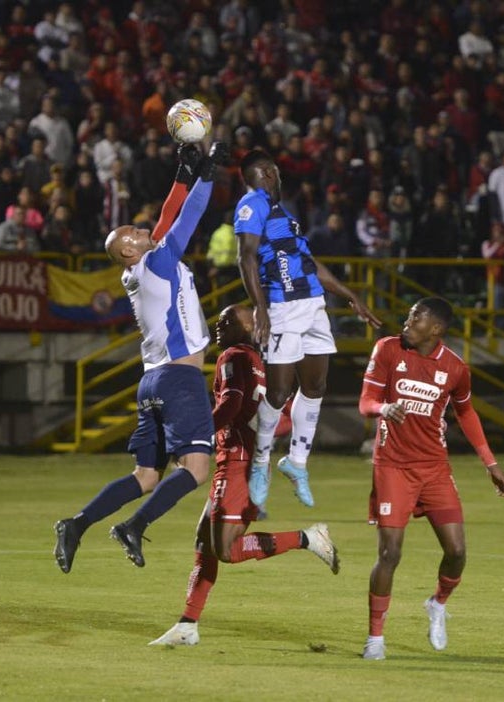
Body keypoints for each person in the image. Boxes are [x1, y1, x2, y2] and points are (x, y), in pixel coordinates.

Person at [53, 143, 226, 574]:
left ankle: (77, 524)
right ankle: (134, 525)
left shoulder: (138, 269)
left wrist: (184, 173)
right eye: (133, 230)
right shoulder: (159, 262)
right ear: (129, 250)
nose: (143, 228)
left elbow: (167, 217)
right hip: (179, 380)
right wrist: (210, 173)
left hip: (151, 382)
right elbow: (188, 218)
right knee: (198, 468)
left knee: (146, 475)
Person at [149, 304, 340, 647]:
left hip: (238, 460)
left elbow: (233, 403)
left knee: (225, 549)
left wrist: (200, 432)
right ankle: (188, 625)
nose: (219, 324)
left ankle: (307, 538)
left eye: (229, 320)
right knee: (204, 543)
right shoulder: (260, 360)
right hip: (243, 459)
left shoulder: (235, 356)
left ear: (250, 328)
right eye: (220, 319)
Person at [357, 297, 504, 661]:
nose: (407, 321)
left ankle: (437, 603)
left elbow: (466, 412)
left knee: (457, 551)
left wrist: (490, 464)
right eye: (409, 314)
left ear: (437, 328)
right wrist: (384, 408)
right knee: (389, 552)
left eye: (416, 317)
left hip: (434, 468)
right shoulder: (387, 350)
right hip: (392, 465)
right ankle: (375, 638)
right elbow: (366, 400)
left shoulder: (456, 368)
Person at [234, 148, 381, 512]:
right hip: (281, 308)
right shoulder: (252, 204)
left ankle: (296, 463)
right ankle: (261, 462)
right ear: (266, 173)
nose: (280, 177)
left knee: (315, 385)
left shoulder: (282, 212)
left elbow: (308, 264)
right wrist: (261, 310)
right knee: (280, 390)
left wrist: (349, 296)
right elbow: (246, 256)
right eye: (276, 172)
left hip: (313, 305)